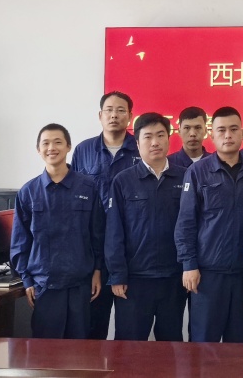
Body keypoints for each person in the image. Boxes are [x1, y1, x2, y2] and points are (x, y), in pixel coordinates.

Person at [175, 106, 243, 342]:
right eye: (222, 130)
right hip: (208, 274)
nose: (228, 135)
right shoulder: (197, 172)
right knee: (204, 343)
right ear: (212, 135)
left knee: (241, 344)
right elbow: (186, 222)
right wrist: (189, 264)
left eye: (234, 129)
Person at [10, 124, 103, 339]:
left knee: (79, 351)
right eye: (46, 143)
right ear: (38, 150)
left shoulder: (88, 187)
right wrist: (26, 280)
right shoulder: (28, 192)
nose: (52, 148)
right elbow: (20, 242)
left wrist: (98, 270)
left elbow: (98, 233)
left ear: (68, 146)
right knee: (45, 352)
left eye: (58, 142)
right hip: (44, 286)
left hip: (81, 285)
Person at [105, 113, 186, 341]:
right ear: (137, 143)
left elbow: (192, 227)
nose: (155, 142)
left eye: (160, 135)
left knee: (171, 344)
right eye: (148, 137)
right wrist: (117, 275)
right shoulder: (123, 181)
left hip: (173, 278)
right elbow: (114, 232)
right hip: (135, 280)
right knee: (129, 345)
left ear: (169, 139)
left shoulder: (185, 177)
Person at [71, 90, 140, 339]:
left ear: (130, 116)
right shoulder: (83, 150)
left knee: (130, 329)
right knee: (92, 325)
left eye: (121, 111)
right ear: (100, 115)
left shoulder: (140, 149)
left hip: (130, 250)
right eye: (109, 110)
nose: (114, 115)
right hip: (93, 249)